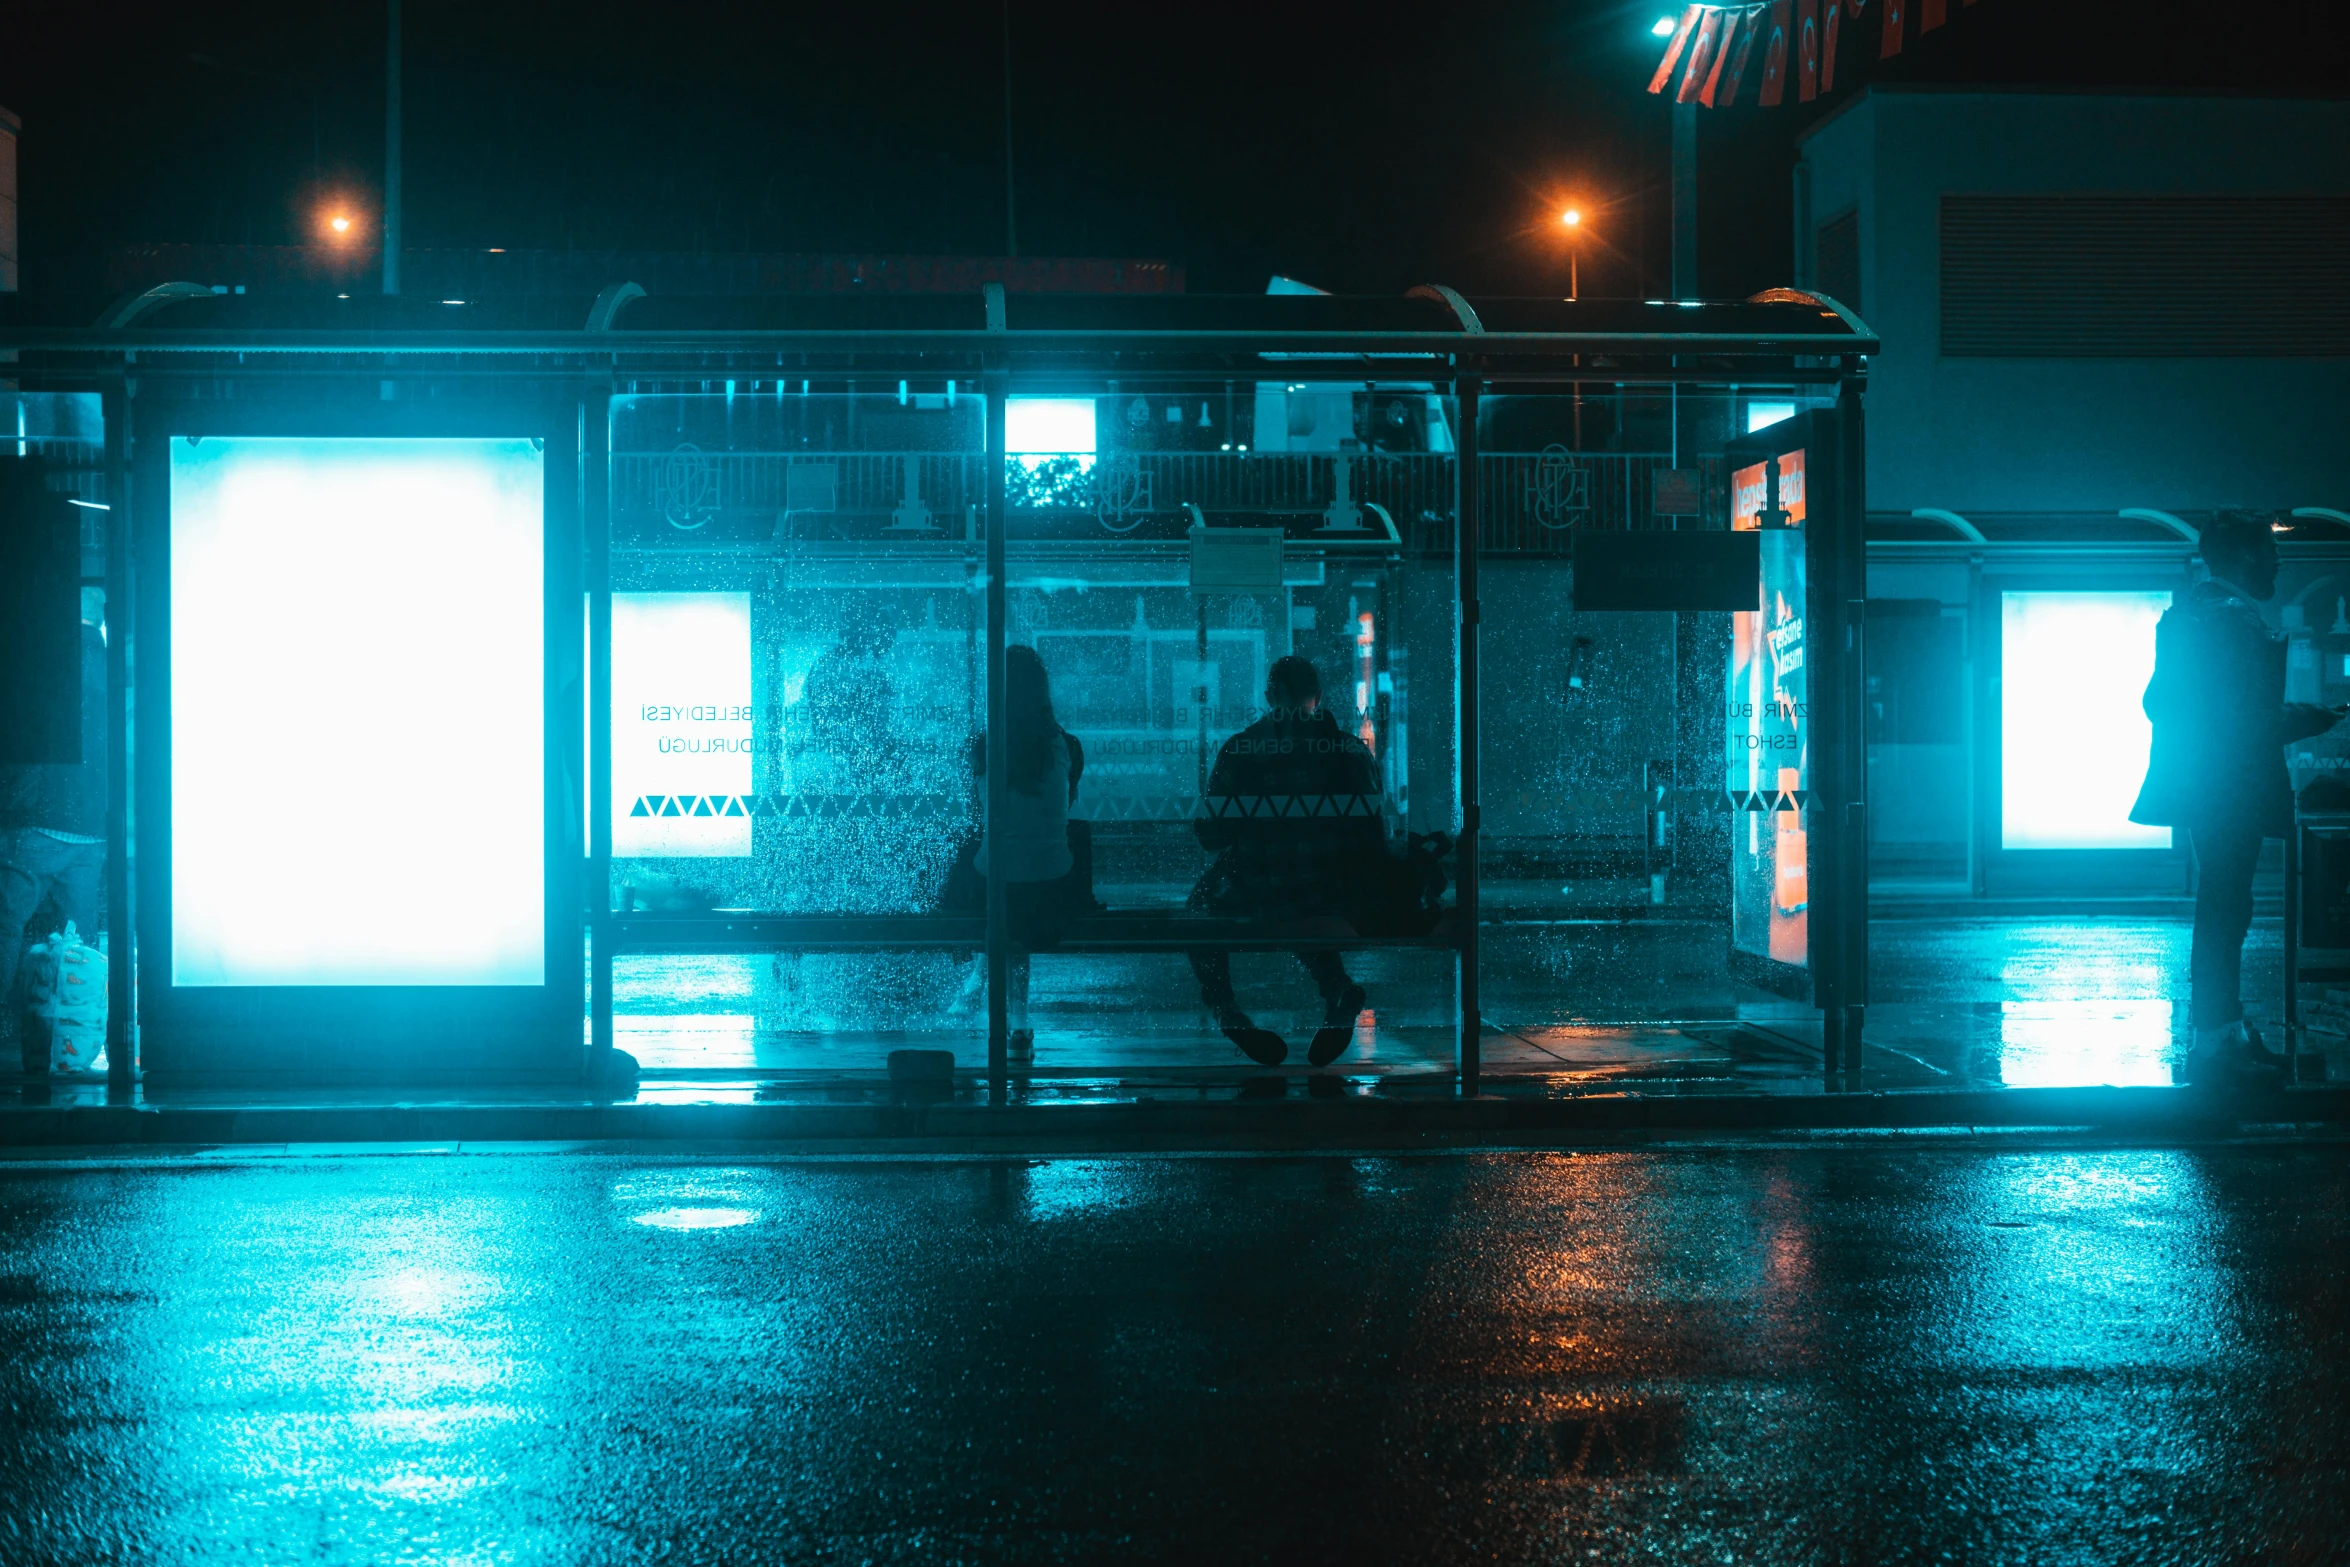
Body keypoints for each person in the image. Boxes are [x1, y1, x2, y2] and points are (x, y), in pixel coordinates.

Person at [2132, 508, 2343, 1081]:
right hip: (2233, 784)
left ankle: (2219, 1034)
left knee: (2223, 904)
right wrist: (2317, 716)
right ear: (2247, 556)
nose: (2277, 562)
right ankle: (2218, 1044)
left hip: (2205, 784)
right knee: (2229, 908)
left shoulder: (2186, 616)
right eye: (2269, 552)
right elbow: (2250, 719)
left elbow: (2158, 703)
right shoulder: (2234, 621)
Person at [1189, 655, 1381, 1068]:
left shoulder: (1242, 749)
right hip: (1335, 888)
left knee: (1200, 908)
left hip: (1264, 885)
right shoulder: (1348, 750)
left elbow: (1211, 833)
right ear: (1320, 697)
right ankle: (1336, 987)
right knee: (1301, 896)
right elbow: (1373, 827)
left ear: (1269, 697)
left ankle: (1227, 1010)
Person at [963, 645, 1087, 1060]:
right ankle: (1018, 1024)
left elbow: (978, 812)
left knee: (991, 866)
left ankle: (982, 981)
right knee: (1039, 866)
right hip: (1053, 889)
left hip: (995, 888)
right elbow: (1061, 810)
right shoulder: (1067, 746)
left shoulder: (982, 747)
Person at [1, 590, 107, 1072]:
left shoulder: (45, 660)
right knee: (80, 943)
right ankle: (78, 1040)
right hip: (91, 826)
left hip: (38, 820)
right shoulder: (108, 662)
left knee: (8, 926)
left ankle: (8, 1024)